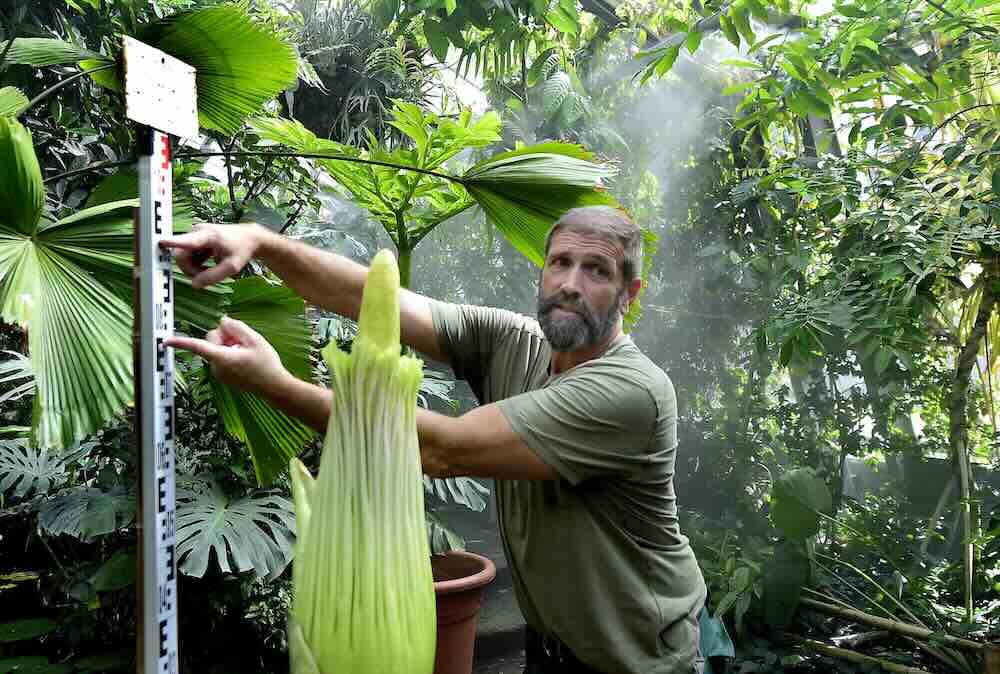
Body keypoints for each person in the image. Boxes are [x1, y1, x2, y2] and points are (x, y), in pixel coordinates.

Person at [162, 205, 707, 674]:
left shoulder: (632, 392)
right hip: (550, 647)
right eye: (560, 262)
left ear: (629, 294)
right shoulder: (515, 342)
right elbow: (378, 299)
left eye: (597, 271)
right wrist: (260, 242)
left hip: (637, 660)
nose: (570, 283)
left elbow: (443, 449)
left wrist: (275, 384)